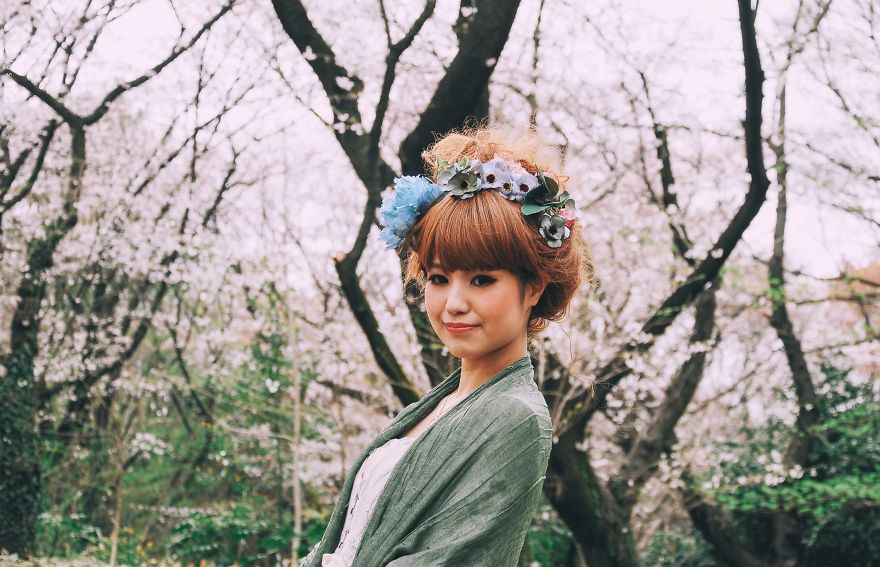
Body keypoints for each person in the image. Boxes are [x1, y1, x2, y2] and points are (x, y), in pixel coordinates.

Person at [300, 126, 591, 567]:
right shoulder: (443, 403)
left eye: (482, 279)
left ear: (533, 286)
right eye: (438, 278)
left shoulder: (515, 416)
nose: (453, 303)